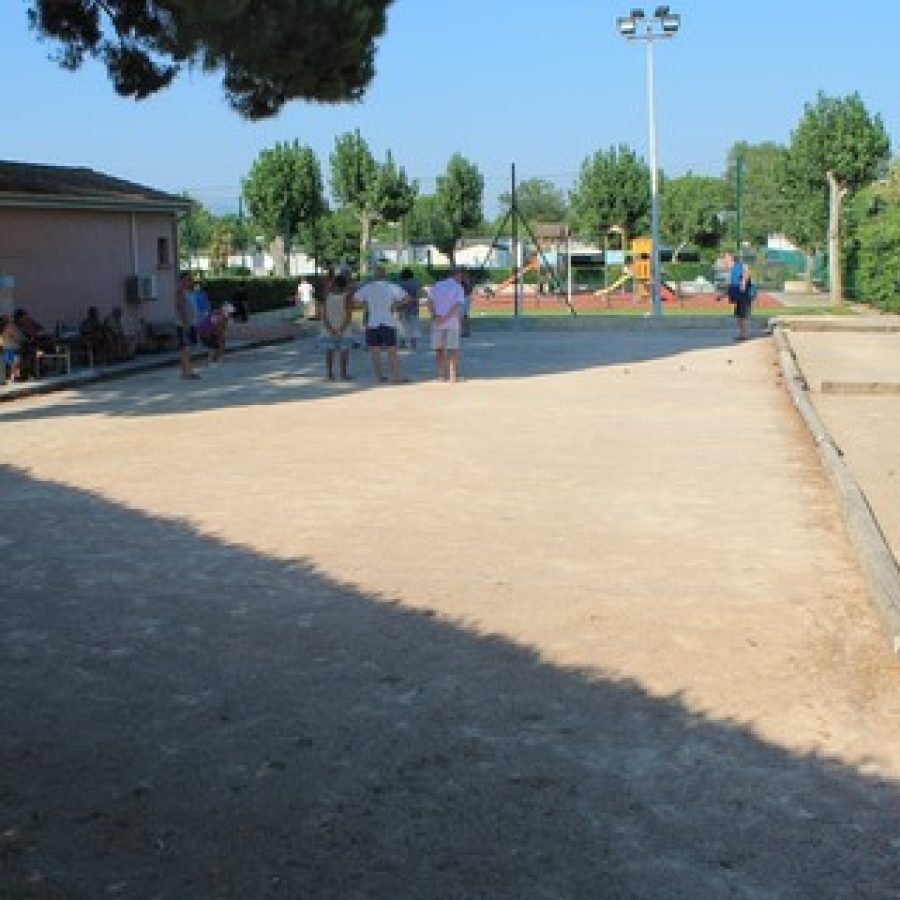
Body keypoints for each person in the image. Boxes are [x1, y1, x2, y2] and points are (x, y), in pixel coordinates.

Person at [353, 265, 409, 383]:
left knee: (375, 352)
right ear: (385, 275)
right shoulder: (392, 287)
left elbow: (355, 300)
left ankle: (379, 376)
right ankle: (396, 375)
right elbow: (407, 298)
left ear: (374, 276)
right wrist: (396, 306)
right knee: (392, 351)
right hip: (388, 321)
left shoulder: (367, 287)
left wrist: (366, 307)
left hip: (372, 321)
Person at [428, 267, 465, 382]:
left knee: (439, 348)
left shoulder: (437, 285)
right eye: (461, 276)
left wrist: (435, 315)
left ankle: (441, 375)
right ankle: (453, 375)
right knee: (452, 348)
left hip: (437, 321)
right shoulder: (458, 287)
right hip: (452, 322)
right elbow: (457, 305)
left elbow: (429, 302)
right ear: (457, 275)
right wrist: (447, 317)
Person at [321, 273, 354, 380]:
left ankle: (329, 374)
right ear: (344, 285)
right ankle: (343, 374)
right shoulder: (346, 297)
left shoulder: (327, 296)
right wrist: (341, 330)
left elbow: (324, 315)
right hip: (344, 328)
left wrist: (330, 329)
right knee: (344, 352)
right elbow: (349, 316)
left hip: (328, 328)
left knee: (329, 352)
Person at [175, 270, 200, 379]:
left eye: (190, 279)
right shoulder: (180, 292)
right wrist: (185, 323)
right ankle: (188, 372)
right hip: (184, 324)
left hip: (192, 323)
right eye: (188, 279)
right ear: (182, 280)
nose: (190, 281)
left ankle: (184, 371)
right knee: (186, 349)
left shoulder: (190, 292)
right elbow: (179, 308)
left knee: (186, 348)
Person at [725, 253, 753, 341]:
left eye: (726, 259)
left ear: (731, 259)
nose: (725, 261)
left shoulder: (739, 266)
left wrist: (743, 283)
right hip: (738, 296)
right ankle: (742, 334)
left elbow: (746, 273)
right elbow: (733, 283)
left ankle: (744, 335)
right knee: (738, 316)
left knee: (743, 315)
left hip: (743, 296)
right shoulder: (733, 269)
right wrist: (724, 294)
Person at [397, 267, 421, 350]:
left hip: (402, 308)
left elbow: (397, 296)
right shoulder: (416, 283)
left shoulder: (399, 284)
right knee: (414, 326)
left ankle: (402, 343)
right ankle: (413, 344)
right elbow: (419, 295)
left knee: (403, 326)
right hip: (414, 307)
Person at [1, 314, 23, 383]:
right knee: (14, 365)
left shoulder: (3, 327)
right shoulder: (11, 326)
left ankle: (11, 378)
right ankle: (14, 379)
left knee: (10, 365)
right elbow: (19, 337)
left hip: (5, 347)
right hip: (13, 347)